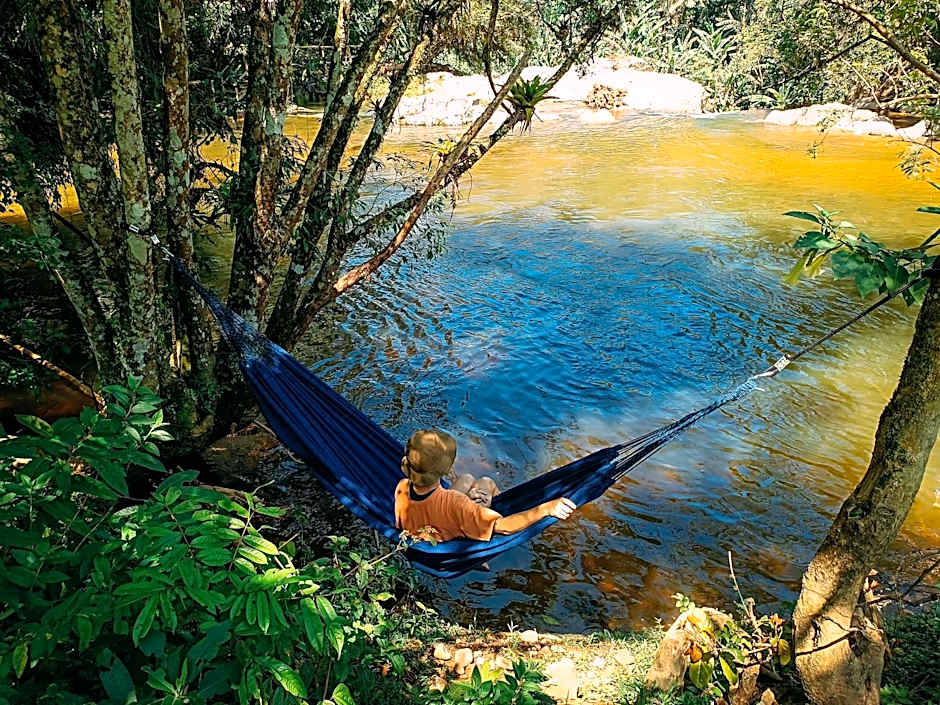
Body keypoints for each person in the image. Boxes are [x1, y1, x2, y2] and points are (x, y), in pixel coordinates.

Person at [394, 429, 577, 542]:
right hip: (452, 539)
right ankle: (494, 509)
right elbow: (504, 527)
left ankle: (486, 503)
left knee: (467, 478)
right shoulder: (455, 503)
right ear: (445, 470)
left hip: (427, 529)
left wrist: (468, 503)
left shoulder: (402, 487)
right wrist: (546, 509)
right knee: (486, 483)